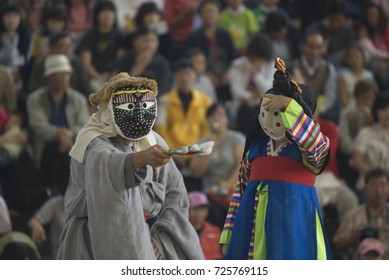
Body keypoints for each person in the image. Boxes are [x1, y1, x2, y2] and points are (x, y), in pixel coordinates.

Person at [57, 72, 204, 260]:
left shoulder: (154, 141)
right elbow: (105, 164)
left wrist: (161, 242)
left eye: (145, 106)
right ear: (111, 110)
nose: (140, 115)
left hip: (149, 243)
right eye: (129, 106)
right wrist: (139, 159)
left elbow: (176, 194)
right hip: (91, 244)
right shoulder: (92, 141)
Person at [219, 57, 332, 259]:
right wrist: (229, 236)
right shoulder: (255, 149)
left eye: (283, 110)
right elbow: (240, 191)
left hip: (295, 223)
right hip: (252, 226)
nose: (277, 114)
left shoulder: (310, 147)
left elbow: (316, 145)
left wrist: (290, 105)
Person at [27, 54, 89, 194]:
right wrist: (58, 134)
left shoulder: (78, 99)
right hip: (46, 145)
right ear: (49, 77)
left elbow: (84, 125)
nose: (63, 77)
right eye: (59, 74)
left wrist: (68, 134)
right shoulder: (35, 99)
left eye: (66, 74)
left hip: (72, 143)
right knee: (59, 156)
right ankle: (60, 198)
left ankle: (61, 198)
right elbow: (38, 125)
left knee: (63, 158)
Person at [189, 102, 244, 228]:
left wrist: (228, 185)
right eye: (212, 116)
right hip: (211, 193)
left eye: (220, 115)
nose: (216, 119)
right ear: (207, 121)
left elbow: (242, 164)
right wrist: (210, 146)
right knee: (214, 214)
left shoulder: (236, 139)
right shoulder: (202, 142)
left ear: (227, 120)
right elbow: (196, 172)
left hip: (233, 191)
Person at [154, 58, 211, 173]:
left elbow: (206, 131)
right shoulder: (165, 101)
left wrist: (198, 152)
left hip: (197, 155)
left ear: (195, 76)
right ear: (175, 76)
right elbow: (161, 130)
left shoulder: (205, 102)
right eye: (180, 73)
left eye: (188, 73)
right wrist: (173, 152)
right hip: (172, 155)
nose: (184, 77)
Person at [333, 168, 389, 260]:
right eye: (373, 185)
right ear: (365, 188)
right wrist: (353, 236)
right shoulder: (354, 215)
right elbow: (337, 244)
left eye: (382, 185)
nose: (378, 190)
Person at [115, 26, 172, 96]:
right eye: (145, 40)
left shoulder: (162, 63)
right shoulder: (125, 59)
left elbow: (164, 88)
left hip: (154, 100)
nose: (149, 45)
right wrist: (139, 67)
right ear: (135, 42)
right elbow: (119, 86)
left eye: (152, 41)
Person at [351, 94, 389, 192]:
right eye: (383, 109)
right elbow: (356, 161)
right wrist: (377, 175)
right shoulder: (366, 133)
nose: (387, 113)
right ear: (376, 112)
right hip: (370, 185)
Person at [188, 191, 223, 260]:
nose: (199, 213)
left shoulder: (215, 231)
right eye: (195, 209)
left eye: (202, 209)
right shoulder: (180, 231)